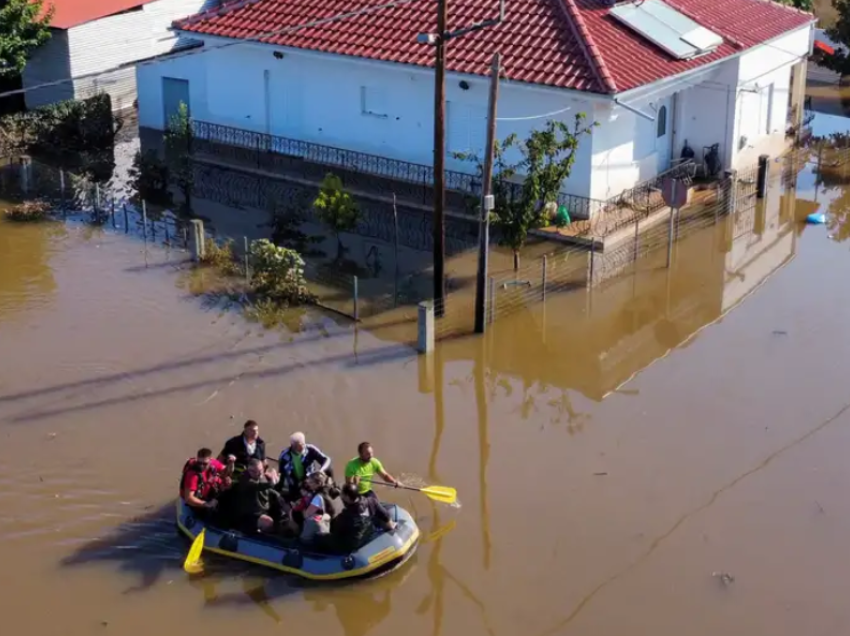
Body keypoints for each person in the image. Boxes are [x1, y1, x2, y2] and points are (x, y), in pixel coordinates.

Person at [225, 458, 285, 534]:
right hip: (250, 515)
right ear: (250, 471)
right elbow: (259, 486)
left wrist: (277, 495)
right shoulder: (245, 479)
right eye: (257, 472)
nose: (260, 473)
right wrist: (272, 482)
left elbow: (266, 489)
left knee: (283, 509)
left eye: (261, 470)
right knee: (267, 522)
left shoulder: (261, 475)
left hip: (263, 509)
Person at [330, 483, 395, 553]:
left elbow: (336, 533)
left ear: (347, 497)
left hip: (354, 544)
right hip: (368, 533)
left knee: (322, 538)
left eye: (342, 494)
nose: (341, 495)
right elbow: (386, 516)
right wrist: (391, 527)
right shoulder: (372, 501)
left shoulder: (344, 516)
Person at [180, 448, 233, 518]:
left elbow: (226, 472)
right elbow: (189, 498)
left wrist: (231, 464)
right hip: (198, 501)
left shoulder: (214, 464)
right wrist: (206, 504)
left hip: (209, 493)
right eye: (199, 463)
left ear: (210, 460)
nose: (201, 466)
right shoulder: (192, 475)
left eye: (205, 464)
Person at [278, 432, 333, 497]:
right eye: (299, 445)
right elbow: (282, 473)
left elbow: (327, 459)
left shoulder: (310, 449)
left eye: (303, 444)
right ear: (292, 445)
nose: (302, 447)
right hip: (294, 485)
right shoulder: (284, 456)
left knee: (329, 470)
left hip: (310, 482)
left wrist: (321, 470)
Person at [291, 472, 335, 544]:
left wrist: (299, 508)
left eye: (311, 482)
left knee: (303, 541)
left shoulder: (317, 498)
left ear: (318, 484)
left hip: (316, 524)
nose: (309, 484)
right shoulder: (326, 490)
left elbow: (306, 515)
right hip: (326, 521)